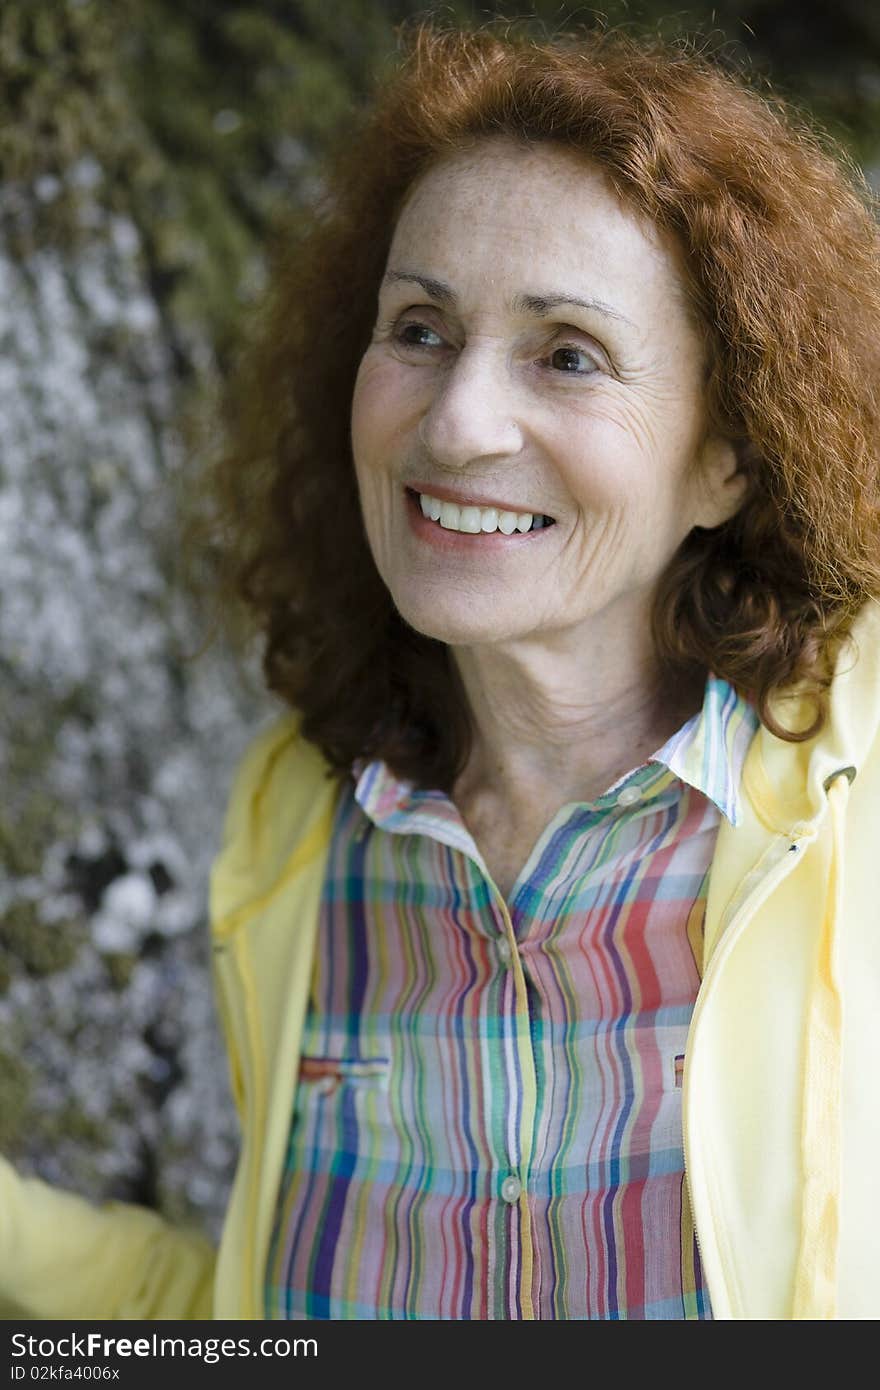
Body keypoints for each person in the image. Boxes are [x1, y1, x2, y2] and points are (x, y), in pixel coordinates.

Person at [3, 20, 880, 1322]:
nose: (458, 421)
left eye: (568, 353)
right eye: (418, 327)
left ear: (728, 458)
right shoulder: (301, 823)